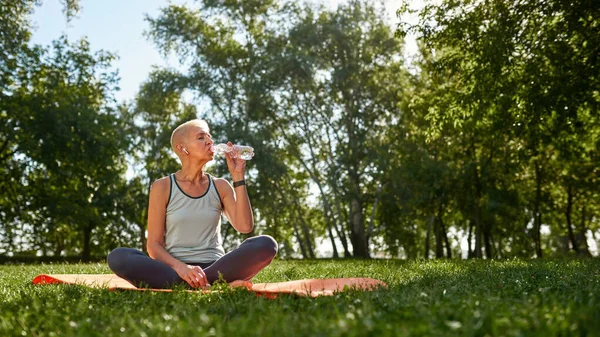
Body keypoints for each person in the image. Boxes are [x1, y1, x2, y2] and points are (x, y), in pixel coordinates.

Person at [107, 119, 278, 289]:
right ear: (182, 148)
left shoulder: (220, 186)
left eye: (209, 137)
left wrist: (238, 175)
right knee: (118, 256)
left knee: (266, 245)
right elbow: (153, 245)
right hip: (174, 269)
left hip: (216, 266)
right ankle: (214, 283)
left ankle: (196, 282)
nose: (210, 141)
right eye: (201, 137)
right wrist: (181, 268)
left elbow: (245, 226)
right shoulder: (163, 186)